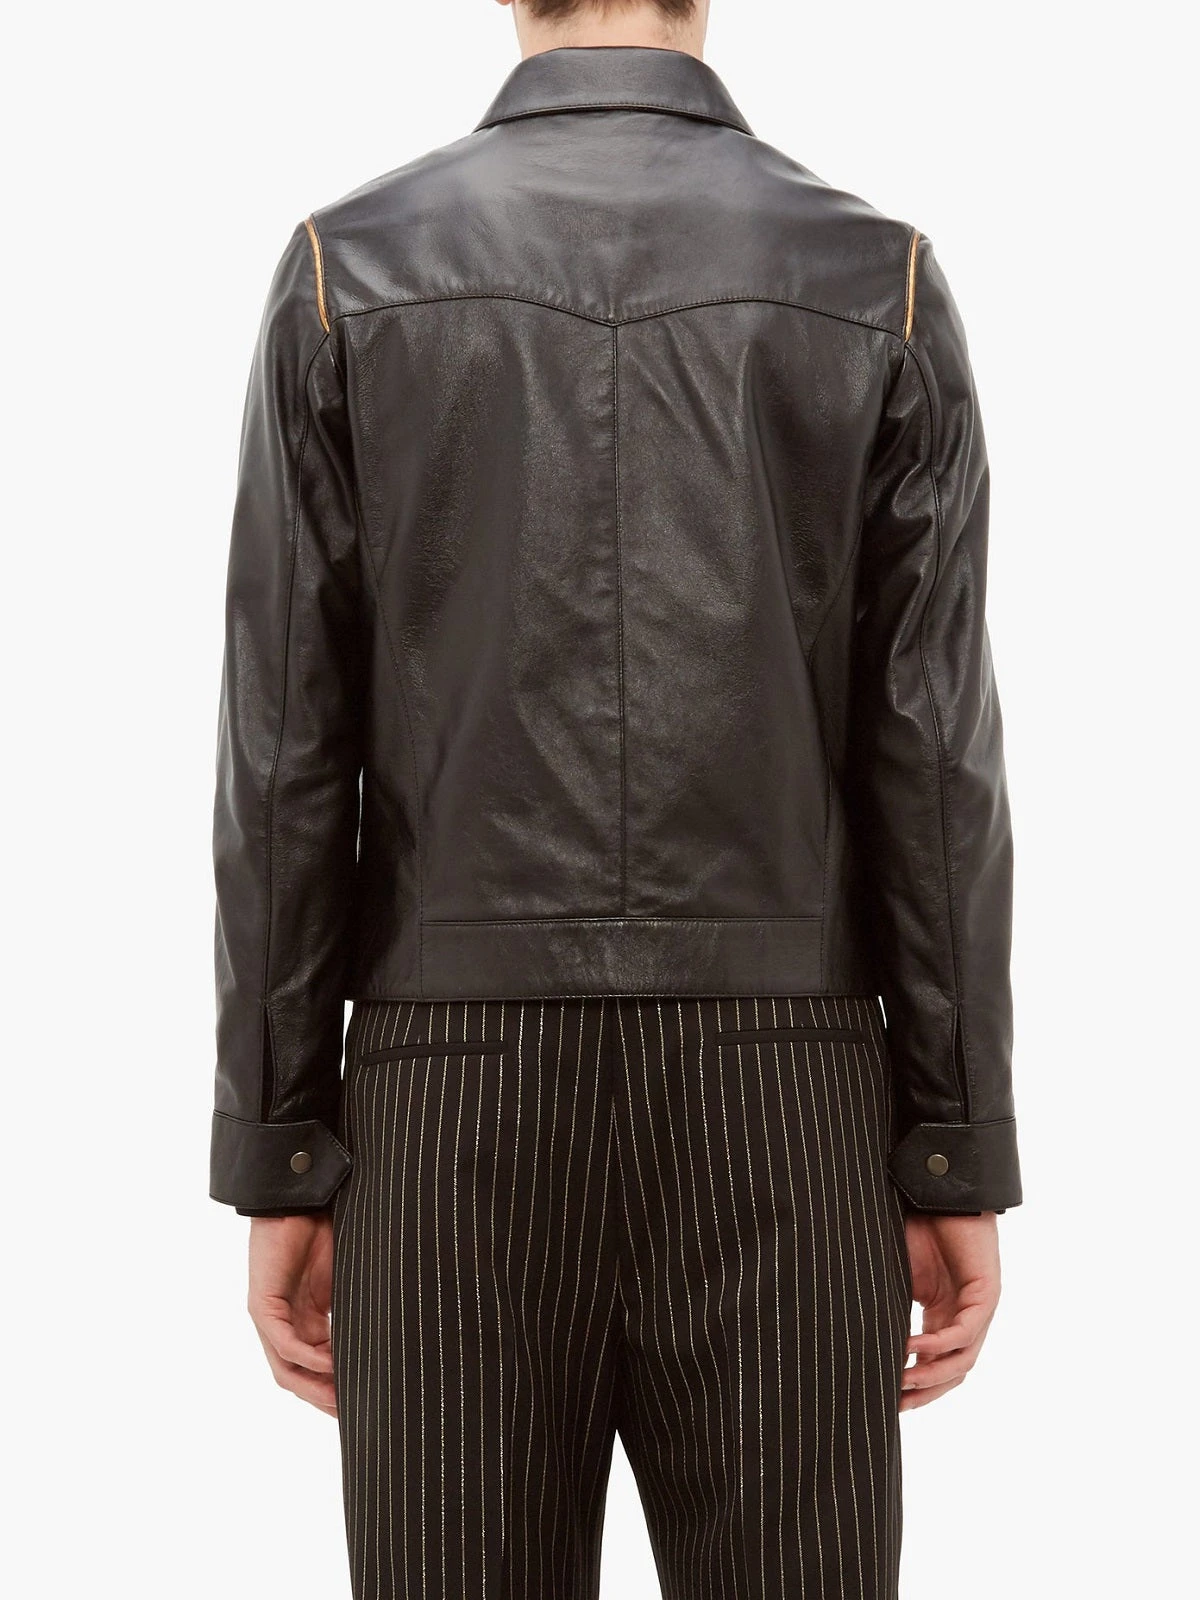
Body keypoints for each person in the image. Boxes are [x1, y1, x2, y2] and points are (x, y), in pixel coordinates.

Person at [209, 1, 1022, 1594]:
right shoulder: (878, 277)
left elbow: (288, 752)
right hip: (786, 1095)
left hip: (453, 1100)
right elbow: (932, 762)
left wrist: (285, 1145)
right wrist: (948, 1144)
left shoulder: (341, 273)